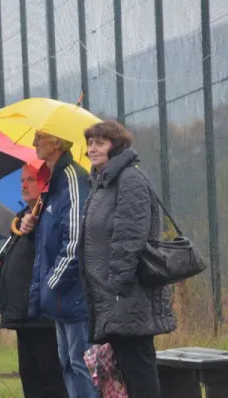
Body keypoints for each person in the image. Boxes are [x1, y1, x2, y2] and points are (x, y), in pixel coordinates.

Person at [79, 120, 176, 398]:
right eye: (89, 143)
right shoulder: (101, 182)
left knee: (139, 371)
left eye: (100, 142)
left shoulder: (129, 180)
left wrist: (117, 288)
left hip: (127, 296)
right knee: (127, 374)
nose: (92, 149)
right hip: (111, 299)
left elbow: (129, 239)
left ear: (116, 145)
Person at [20, 131, 97, 397]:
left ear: (58, 141)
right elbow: (49, 240)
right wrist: (32, 224)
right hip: (60, 298)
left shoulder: (74, 179)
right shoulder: (53, 183)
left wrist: (52, 283)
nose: (34, 144)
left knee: (81, 364)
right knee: (67, 363)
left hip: (74, 295)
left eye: (40, 138)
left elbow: (75, 240)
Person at [0, 165, 68, 398]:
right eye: (22, 180)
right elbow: (19, 258)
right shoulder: (21, 217)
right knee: (30, 378)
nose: (23, 185)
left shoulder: (49, 216)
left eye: (30, 179)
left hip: (42, 314)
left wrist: (32, 229)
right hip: (22, 314)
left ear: (44, 184)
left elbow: (48, 254)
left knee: (50, 377)